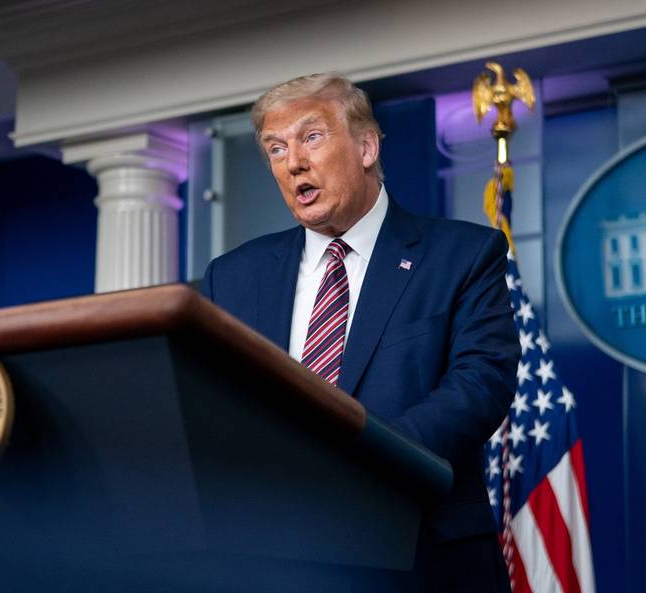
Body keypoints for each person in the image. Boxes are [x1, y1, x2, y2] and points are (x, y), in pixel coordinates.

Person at [201, 73, 519, 593]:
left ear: (367, 146)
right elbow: (214, 406)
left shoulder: (461, 255)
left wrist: (365, 459)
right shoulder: (233, 277)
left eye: (311, 137)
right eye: (275, 149)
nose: (293, 162)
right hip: (277, 560)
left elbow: (481, 383)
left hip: (423, 556)